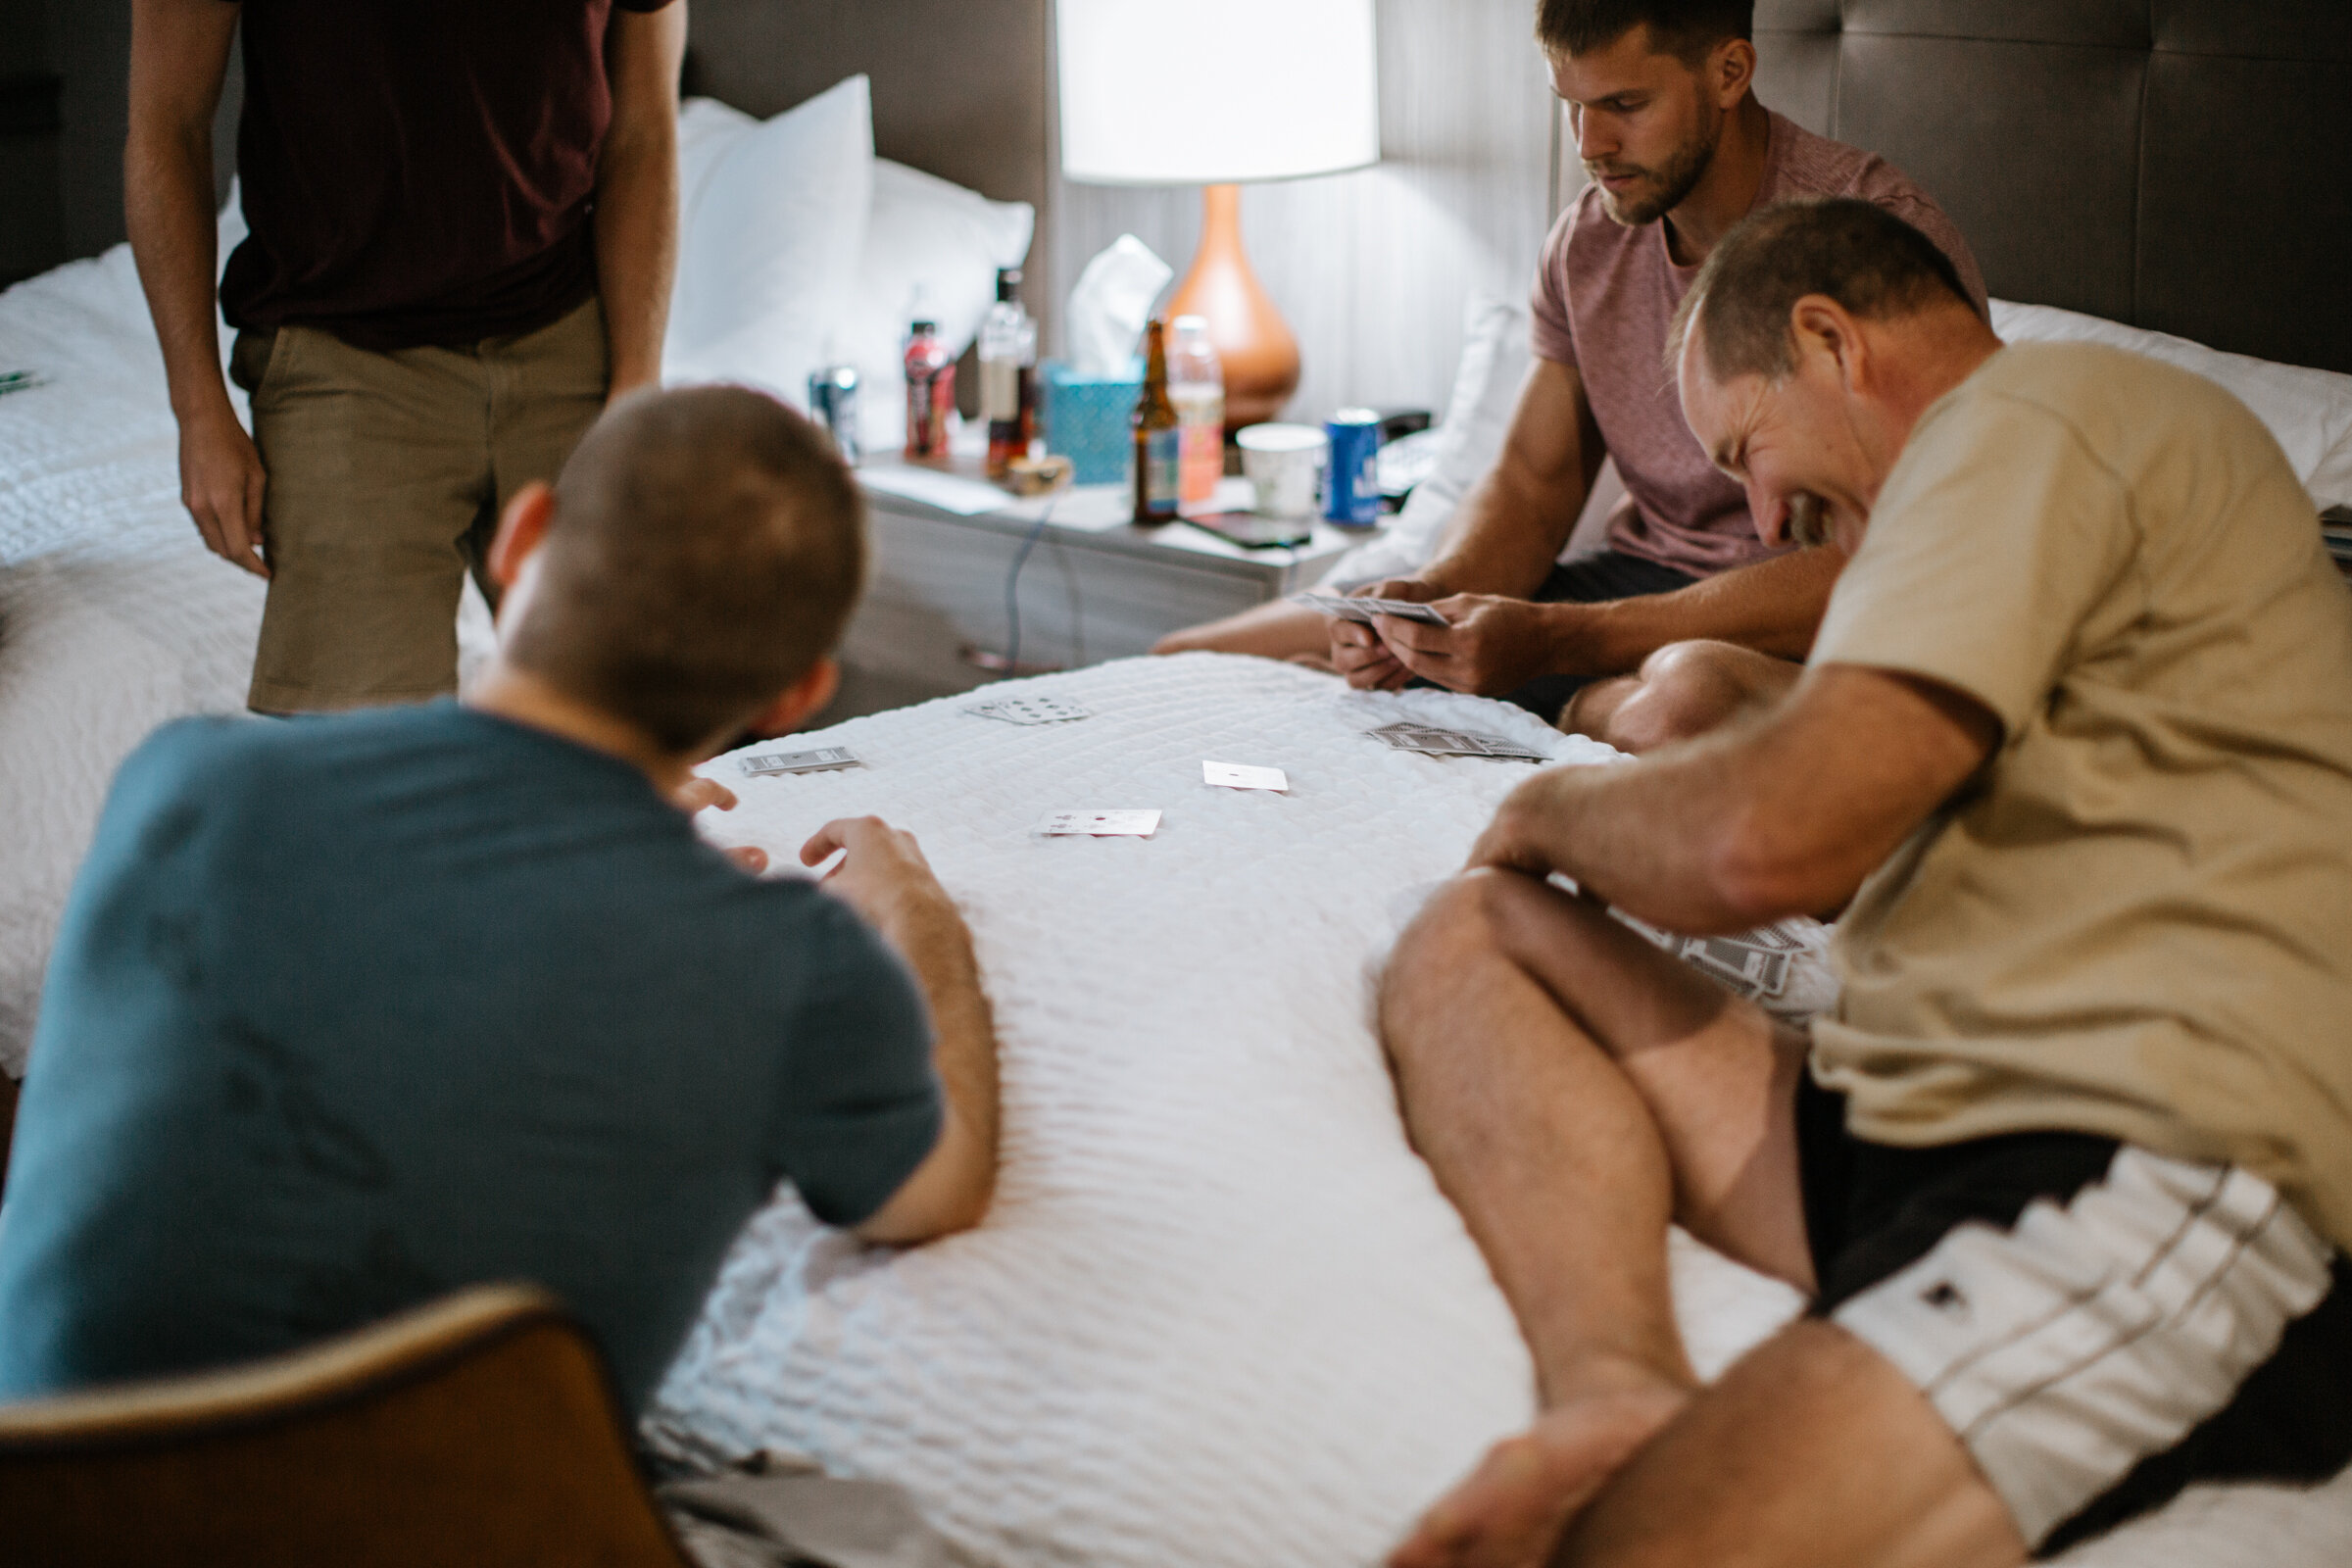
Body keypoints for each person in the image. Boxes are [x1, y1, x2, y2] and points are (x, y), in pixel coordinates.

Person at [1377, 198, 2352, 1568]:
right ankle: (1616, 1383)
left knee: (1645, 1545)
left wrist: (1549, 807)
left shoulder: (2044, 414)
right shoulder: (1996, 565)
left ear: (1831, 341)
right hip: (1911, 1108)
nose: (1764, 516)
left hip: (2156, 1140)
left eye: (1747, 451)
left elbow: (1767, 842)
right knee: (1471, 935)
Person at [0, 386, 1001, 1419]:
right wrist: (914, 909)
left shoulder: (187, 780)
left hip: (52, 1501)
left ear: (520, 538)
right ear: (798, 694)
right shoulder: (793, 966)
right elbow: (938, 1189)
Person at [1154, 0, 1984, 752]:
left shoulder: (1875, 247)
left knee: (1683, 703)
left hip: (1815, 610)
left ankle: (1575, 706)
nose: (1590, 147)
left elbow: (1905, 552)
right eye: (1573, 107)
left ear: (1731, 73)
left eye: (1625, 106)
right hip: (1638, 584)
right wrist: (1430, 601)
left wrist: (1557, 643)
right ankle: (1558, 696)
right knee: (1225, 662)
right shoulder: (1587, 243)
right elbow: (1531, 482)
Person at [125, 0, 683, 714]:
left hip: (569, 332)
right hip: (346, 361)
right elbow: (165, 127)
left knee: (622, 727)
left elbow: (644, 129)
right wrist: (197, 405)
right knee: (362, 774)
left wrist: (637, 384)